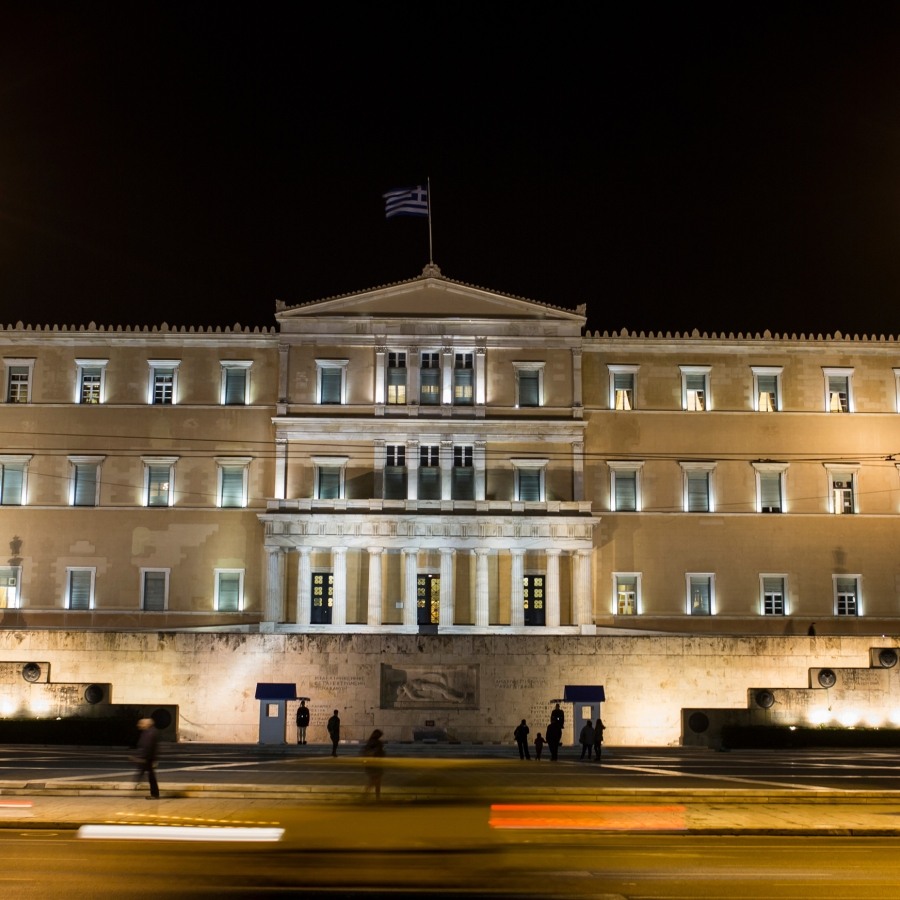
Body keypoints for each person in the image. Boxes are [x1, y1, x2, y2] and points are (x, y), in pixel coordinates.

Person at [131, 717, 160, 799]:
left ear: (146, 724)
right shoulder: (149, 732)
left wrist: (142, 757)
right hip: (148, 758)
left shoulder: (149, 733)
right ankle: (154, 794)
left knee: (150, 777)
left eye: (141, 723)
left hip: (148, 758)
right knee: (150, 776)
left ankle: (154, 794)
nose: (139, 725)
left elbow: (147, 746)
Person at [361, 728, 386, 800]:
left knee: (375, 783)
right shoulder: (375, 743)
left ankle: (372, 797)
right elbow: (373, 753)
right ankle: (367, 796)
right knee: (374, 782)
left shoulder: (372, 742)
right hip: (374, 766)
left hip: (374, 766)